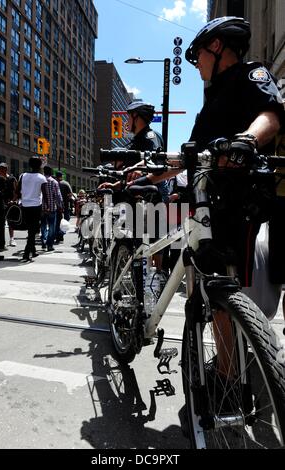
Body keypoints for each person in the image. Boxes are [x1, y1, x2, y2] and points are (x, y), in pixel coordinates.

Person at [130, 17, 285, 377]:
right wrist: (149, 174)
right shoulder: (212, 98)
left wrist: (246, 140)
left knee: (231, 288)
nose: (196, 62)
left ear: (216, 47)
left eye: (198, 54)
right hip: (206, 202)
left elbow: (270, 117)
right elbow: (189, 155)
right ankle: (227, 368)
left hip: (240, 199)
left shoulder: (251, 75)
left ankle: (233, 371)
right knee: (210, 285)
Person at [17, 156, 48, 261]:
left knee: (31, 229)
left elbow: (17, 191)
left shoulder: (23, 175)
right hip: (36, 206)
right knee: (32, 231)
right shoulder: (41, 177)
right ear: (40, 165)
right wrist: (47, 206)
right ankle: (26, 254)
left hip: (25, 206)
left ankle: (33, 251)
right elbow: (45, 194)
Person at [41, 166, 63, 252]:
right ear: (51, 173)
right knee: (51, 227)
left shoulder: (40, 180)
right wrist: (60, 206)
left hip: (41, 208)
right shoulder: (54, 182)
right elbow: (58, 196)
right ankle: (49, 245)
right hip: (51, 208)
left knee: (43, 225)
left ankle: (43, 241)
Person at [0, 162, 17, 247]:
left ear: (6, 169)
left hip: (9, 202)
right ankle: (1, 241)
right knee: (0, 223)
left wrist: (13, 200)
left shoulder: (12, 179)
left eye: (3, 168)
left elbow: (16, 191)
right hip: (0, 202)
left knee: (11, 221)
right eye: (1, 168)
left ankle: (12, 239)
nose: (2, 169)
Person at [55, 171, 74, 242]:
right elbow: (70, 194)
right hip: (65, 205)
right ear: (61, 176)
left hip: (55, 205)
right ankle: (61, 234)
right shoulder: (65, 183)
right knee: (65, 220)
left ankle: (57, 235)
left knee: (56, 221)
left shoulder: (53, 183)